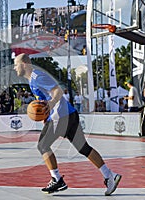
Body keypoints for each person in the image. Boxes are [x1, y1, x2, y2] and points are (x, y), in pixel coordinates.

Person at [14, 53, 121, 195]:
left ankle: (57, 179)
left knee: (43, 145)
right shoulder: (33, 79)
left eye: (16, 64)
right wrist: (46, 115)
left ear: (24, 64)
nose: (15, 68)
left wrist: (51, 103)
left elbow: (57, 90)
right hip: (69, 114)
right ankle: (109, 175)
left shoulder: (36, 76)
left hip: (61, 116)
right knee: (83, 148)